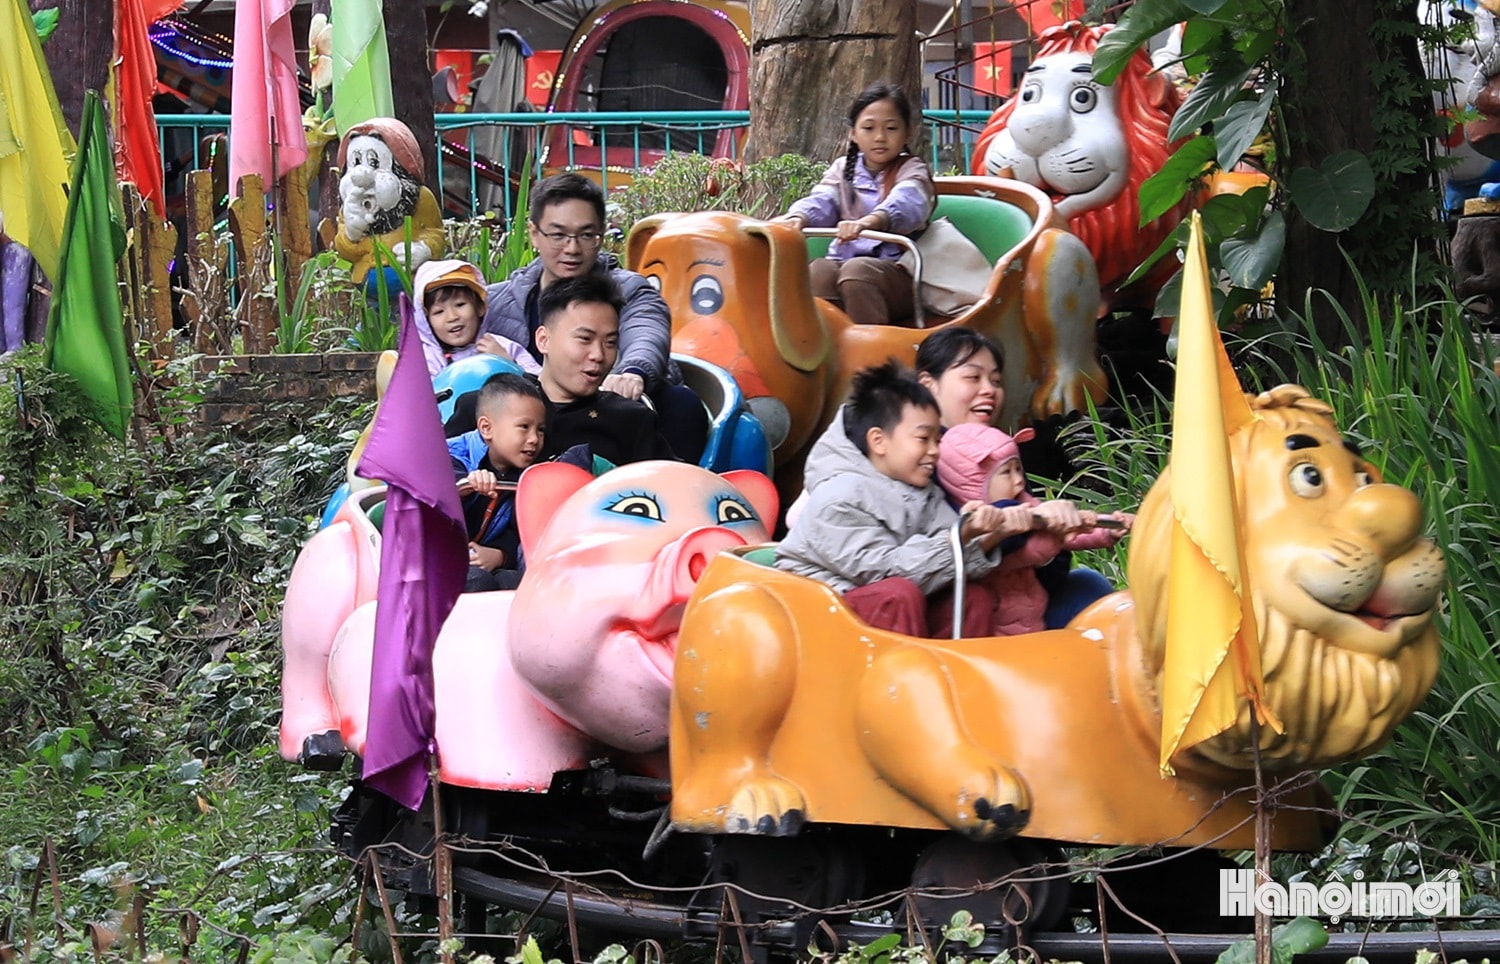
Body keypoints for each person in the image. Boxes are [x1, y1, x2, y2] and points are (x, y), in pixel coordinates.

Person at [775, 361, 1033, 638]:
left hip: (889, 601)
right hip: (819, 616)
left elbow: (947, 558)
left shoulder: (926, 495)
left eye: (937, 440)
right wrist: (959, 535)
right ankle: (902, 668)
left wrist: (986, 534)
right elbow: (884, 572)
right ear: (879, 441)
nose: (935, 451)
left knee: (972, 599)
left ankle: (954, 666)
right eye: (923, 438)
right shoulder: (838, 497)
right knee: (896, 595)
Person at [482, 172, 709, 461]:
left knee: (681, 404)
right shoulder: (497, 301)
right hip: (530, 421)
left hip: (608, 409)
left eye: (586, 235)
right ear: (534, 234)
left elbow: (645, 331)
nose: (572, 248)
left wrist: (631, 373)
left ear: (601, 234)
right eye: (558, 235)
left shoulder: (630, 289)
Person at [914, 327, 1117, 628]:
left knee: (1089, 586)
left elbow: (1052, 574)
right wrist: (1016, 521)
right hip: (959, 615)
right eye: (973, 377)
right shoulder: (915, 462)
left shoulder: (1002, 454)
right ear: (928, 386)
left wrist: (1055, 537)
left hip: (1025, 605)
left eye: (996, 381)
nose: (989, 389)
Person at [937, 423, 1134, 635]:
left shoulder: (1025, 503)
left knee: (1090, 581)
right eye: (1006, 472)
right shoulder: (973, 522)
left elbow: (1066, 530)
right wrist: (1052, 536)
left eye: (1018, 469)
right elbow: (1020, 553)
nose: (1019, 480)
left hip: (1033, 612)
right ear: (975, 481)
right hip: (997, 626)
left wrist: (1106, 530)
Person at [776, 83, 936, 327]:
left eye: (891, 128)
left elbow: (907, 202)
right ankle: (821, 342)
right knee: (819, 271)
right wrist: (799, 217)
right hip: (843, 263)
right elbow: (823, 200)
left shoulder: (913, 170)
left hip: (897, 271)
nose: (880, 137)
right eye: (869, 128)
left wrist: (869, 222)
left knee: (857, 272)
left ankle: (873, 346)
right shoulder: (843, 169)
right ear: (853, 133)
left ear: (908, 132)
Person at [448, 374, 588, 592]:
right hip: (440, 560)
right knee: (477, 581)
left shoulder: (527, 475)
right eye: (524, 427)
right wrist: (465, 485)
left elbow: (518, 529)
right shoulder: (451, 454)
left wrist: (500, 555)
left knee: (517, 583)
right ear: (486, 428)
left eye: (540, 430)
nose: (534, 439)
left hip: (482, 558)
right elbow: (435, 489)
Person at [533, 273, 678, 467]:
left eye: (610, 342)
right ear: (544, 340)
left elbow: (671, 480)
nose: (599, 355)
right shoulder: (502, 404)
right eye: (585, 339)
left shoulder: (631, 420)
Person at [413, 259, 539, 376]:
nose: (452, 317)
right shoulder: (425, 359)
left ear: (480, 307)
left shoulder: (501, 346)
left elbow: (540, 382)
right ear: (426, 322)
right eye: (439, 312)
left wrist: (508, 364)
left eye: (460, 305)